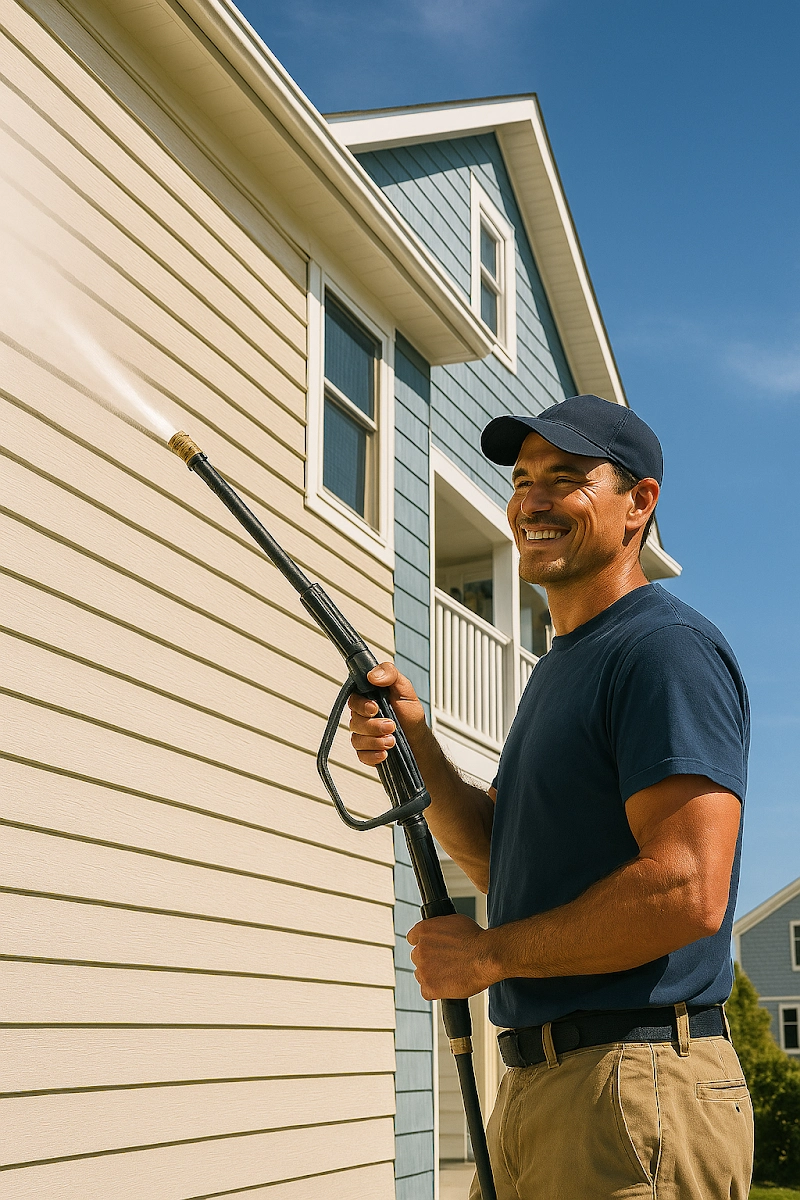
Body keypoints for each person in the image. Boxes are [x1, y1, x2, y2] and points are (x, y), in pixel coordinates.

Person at [349, 394, 753, 1200]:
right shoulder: (560, 670)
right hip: (546, 1088)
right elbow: (500, 860)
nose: (532, 500)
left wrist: (489, 956)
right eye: (522, 479)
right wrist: (417, 742)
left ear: (638, 503)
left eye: (565, 479)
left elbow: (687, 888)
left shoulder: (662, 650)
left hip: (633, 1088)